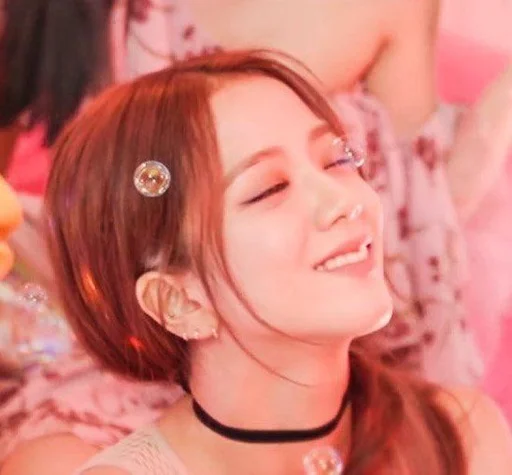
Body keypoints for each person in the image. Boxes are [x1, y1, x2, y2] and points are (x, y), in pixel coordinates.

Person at [3, 50, 511, 475]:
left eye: (338, 160)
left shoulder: (460, 438)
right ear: (178, 301)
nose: (343, 200)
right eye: (269, 189)